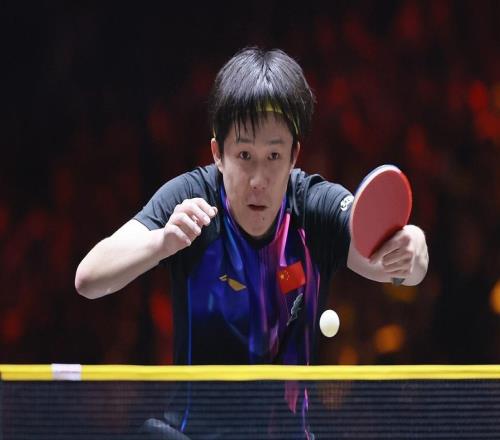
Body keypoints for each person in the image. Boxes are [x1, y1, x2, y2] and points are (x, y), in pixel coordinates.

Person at [75, 47, 429, 438]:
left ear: (294, 155)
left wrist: (412, 250)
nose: (259, 178)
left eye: (274, 155)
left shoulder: (313, 208)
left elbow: (395, 268)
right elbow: (89, 278)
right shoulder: (191, 199)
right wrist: (161, 242)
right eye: (244, 154)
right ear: (218, 154)